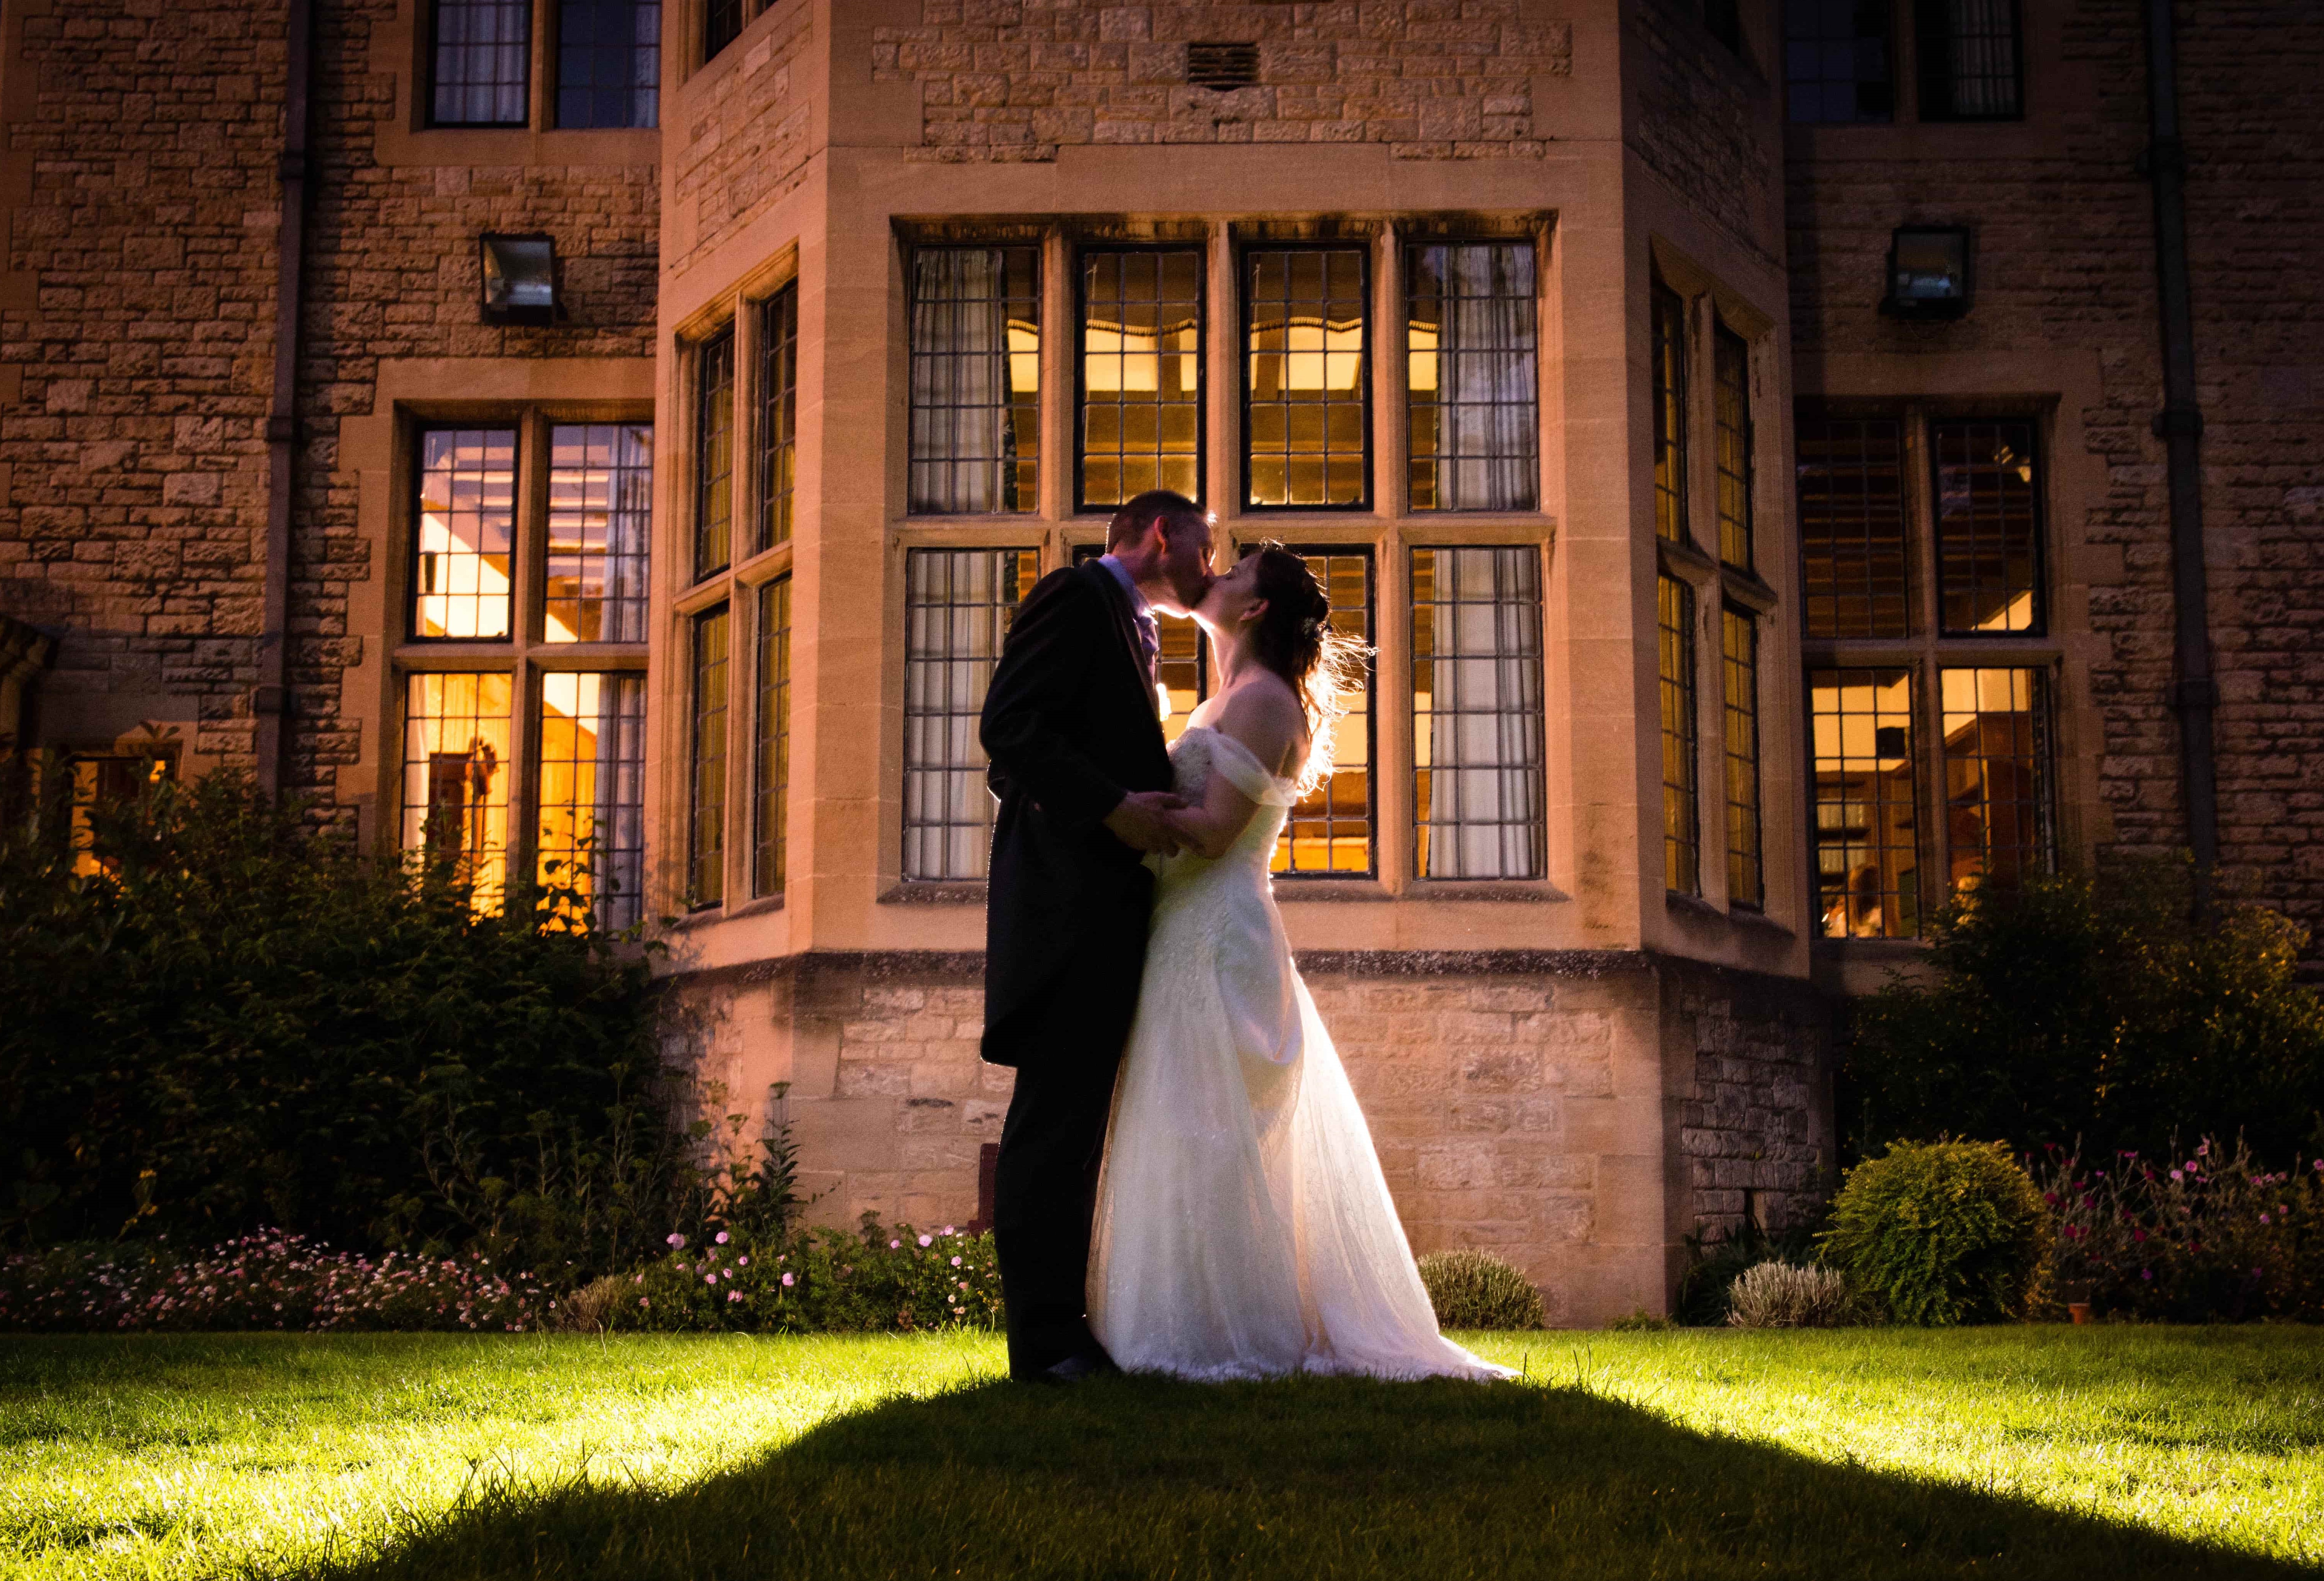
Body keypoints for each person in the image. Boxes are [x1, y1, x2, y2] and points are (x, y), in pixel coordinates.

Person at [1087, 545, 1510, 1381]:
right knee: (1185, 1125)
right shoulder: (1230, 697)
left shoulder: (1261, 701)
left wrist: (1104, 808)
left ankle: (1224, 1334)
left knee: (1214, 1130)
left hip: (1217, 934)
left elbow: (1210, 833)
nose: (1217, 570)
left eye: (1236, 569)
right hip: (1188, 924)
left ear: (1253, 610)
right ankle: (1188, 1318)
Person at [978, 489, 1215, 1385]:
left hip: (1105, 912)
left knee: (1074, 1130)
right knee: (1050, 1129)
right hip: (1065, 911)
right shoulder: (1077, 599)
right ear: (1163, 535)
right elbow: (1008, 730)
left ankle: (1065, 1335)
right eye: (1204, 546)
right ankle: (1045, 1346)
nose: (1209, 566)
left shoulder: (1132, 628)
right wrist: (1111, 808)